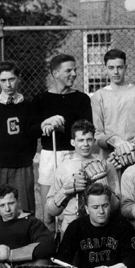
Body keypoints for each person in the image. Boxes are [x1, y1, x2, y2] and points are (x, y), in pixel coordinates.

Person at [32, 54, 93, 230]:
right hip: (50, 155)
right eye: (69, 70)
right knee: (49, 212)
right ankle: (50, 250)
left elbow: (86, 128)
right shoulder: (40, 100)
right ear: (55, 73)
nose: (74, 73)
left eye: (75, 70)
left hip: (74, 155)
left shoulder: (81, 99)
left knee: (74, 208)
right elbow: (30, 130)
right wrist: (45, 123)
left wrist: (62, 125)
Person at [55, 183, 135, 268]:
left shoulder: (123, 226)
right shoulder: (76, 227)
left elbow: (131, 261)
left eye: (105, 206)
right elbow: (62, 260)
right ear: (87, 208)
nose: (101, 211)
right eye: (95, 207)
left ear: (110, 205)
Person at [0, 61, 40, 217]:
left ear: (19, 79)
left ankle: (24, 240)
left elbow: (32, 139)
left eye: (11, 79)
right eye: (3, 80)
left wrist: (22, 158)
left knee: (25, 208)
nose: (8, 84)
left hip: (21, 166)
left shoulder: (28, 107)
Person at [45, 119, 120, 236]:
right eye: (80, 140)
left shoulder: (106, 165)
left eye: (89, 140)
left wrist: (103, 183)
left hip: (100, 227)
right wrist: (64, 192)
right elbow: (51, 210)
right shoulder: (63, 168)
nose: (85, 144)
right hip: (71, 226)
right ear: (72, 142)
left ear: (94, 141)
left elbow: (116, 207)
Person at [91, 49, 135, 162]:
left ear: (126, 67)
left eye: (119, 67)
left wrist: (130, 149)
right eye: (111, 68)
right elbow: (98, 134)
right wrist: (115, 142)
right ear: (105, 69)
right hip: (109, 157)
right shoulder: (98, 96)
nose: (116, 72)